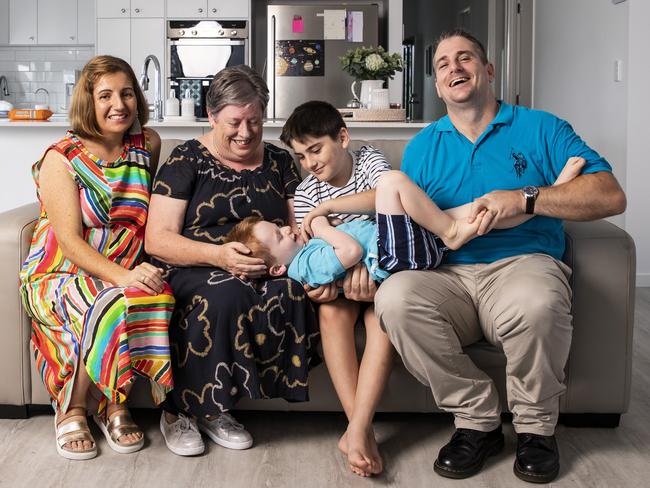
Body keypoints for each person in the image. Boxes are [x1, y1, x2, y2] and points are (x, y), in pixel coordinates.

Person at [223, 154, 583, 475]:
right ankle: (455, 232)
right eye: (280, 235)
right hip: (398, 256)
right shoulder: (304, 261)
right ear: (275, 270)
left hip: (399, 241)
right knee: (395, 184)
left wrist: (323, 223)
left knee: (473, 212)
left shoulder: (306, 250)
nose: (289, 228)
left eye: (282, 226)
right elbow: (348, 251)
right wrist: (323, 226)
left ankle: (552, 194)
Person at [373, 29, 627, 483]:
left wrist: (525, 198)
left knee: (538, 301)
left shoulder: (542, 128)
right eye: (443, 63)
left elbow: (609, 195)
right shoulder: (423, 147)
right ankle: (477, 421)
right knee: (394, 297)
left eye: (465, 57)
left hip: (523, 264)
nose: (454, 67)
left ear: (488, 71)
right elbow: (411, 226)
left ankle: (535, 430)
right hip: (447, 276)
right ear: (435, 84)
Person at [144, 65, 319, 457]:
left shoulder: (279, 162)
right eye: (234, 122)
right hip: (196, 265)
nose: (245, 132)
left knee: (290, 291)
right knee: (225, 293)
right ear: (211, 117)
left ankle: (215, 408)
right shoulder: (186, 159)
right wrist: (219, 256)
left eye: (254, 121)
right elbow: (157, 240)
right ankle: (182, 411)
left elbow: (300, 226)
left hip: (268, 265)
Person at [19, 55, 175, 460]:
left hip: (120, 268)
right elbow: (68, 241)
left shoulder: (148, 145)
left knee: (156, 295)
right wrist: (122, 276)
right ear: (88, 102)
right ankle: (81, 408)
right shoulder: (62, 157)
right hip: (60, 272)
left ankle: (111, 402)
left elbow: (140, 214)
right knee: (111, 300)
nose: (118, 104)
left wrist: (135, 273)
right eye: (105, 95)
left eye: (126, 93)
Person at [280, 101, 393, 477]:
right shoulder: (305, 193)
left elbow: (389, 201)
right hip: (344, 283)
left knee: (383, 318)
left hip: (380, 278)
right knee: (330, 312)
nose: (310, 163)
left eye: (316, 150)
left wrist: (329, 206)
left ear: (342, 138)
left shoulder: (369, 162)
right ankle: (361, 429)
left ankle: (356, 431)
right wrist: (323, 286)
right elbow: (317, 251)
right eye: (301, 156)